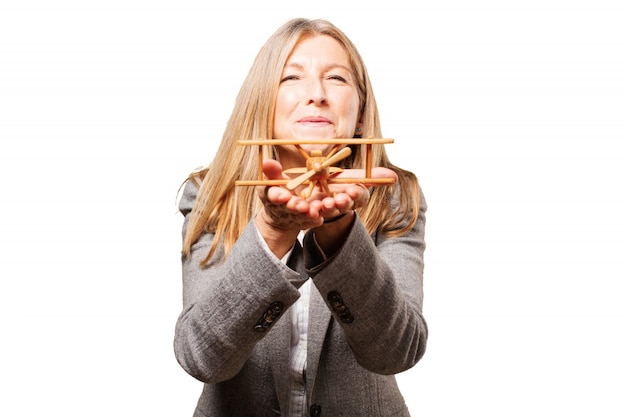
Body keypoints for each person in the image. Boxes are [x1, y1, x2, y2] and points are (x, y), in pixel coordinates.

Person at [174, 17, 428, 417]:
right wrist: (272, 232)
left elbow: (397, 351)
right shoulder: (212, 195)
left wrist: (340, 234)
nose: (317, 94)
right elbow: (201, 357)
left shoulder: (395, 196)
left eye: (337, 79)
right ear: (264, 101)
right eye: (292, 77)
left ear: (359, 112)